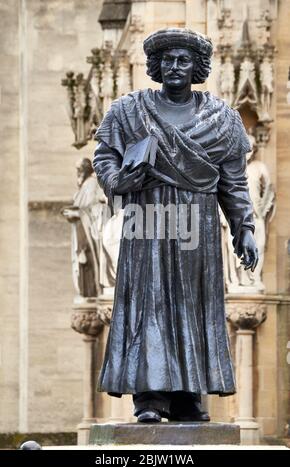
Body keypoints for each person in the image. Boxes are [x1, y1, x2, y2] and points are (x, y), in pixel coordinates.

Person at [92, 28, 258, 423]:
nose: (175, 67)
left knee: (194, 304)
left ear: (197, 67)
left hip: (196, 225)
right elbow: (104, 157)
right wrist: (118, 182)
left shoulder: (222, 119)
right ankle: (149, 398)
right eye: (167, 60)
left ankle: (187, 396)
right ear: (156, 65)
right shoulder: (129, 110)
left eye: (183, 60)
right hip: (147, 219)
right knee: (150, 303)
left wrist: (244, 228)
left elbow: (234, 182)